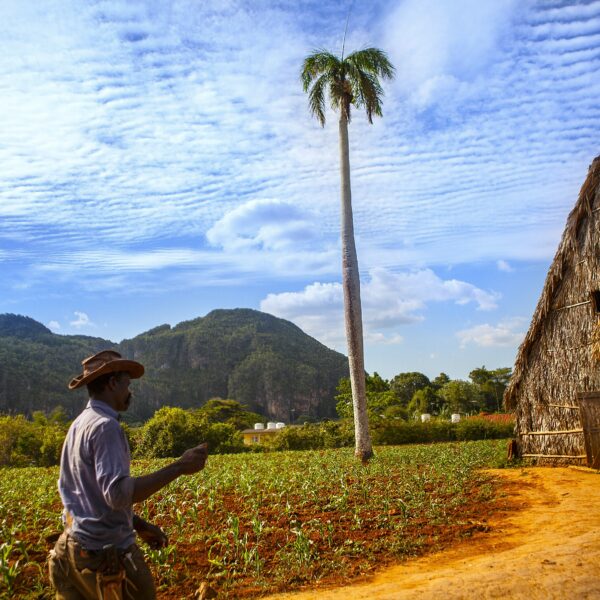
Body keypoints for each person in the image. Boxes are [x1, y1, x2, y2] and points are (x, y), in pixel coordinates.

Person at [48, 350, 208, 600]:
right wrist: (180, 467)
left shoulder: (78, 424)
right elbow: (117, 494)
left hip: (70, 551)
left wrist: (140, 525)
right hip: (106, 557)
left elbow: (89, 497)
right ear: (112, 383)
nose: (129, 391)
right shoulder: (105, 426)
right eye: (127, 384)